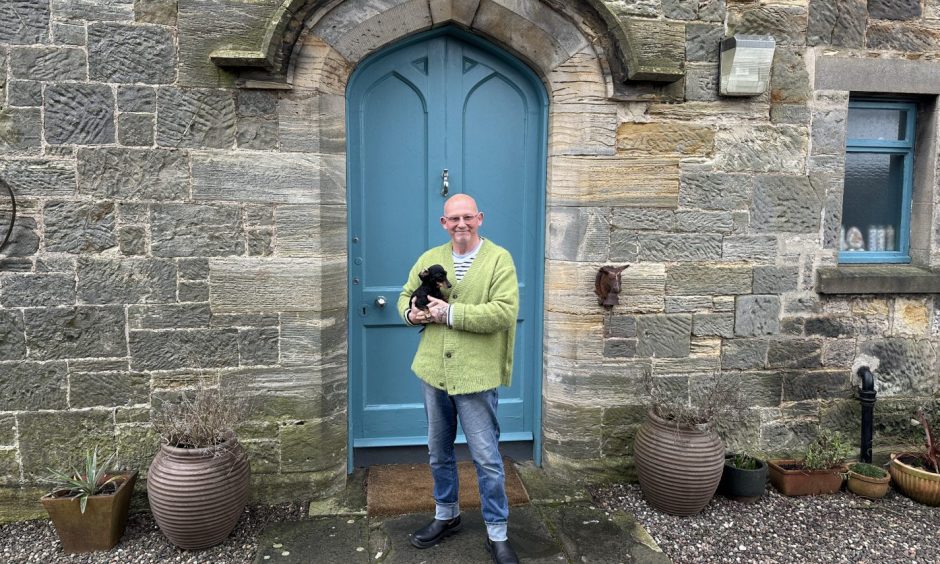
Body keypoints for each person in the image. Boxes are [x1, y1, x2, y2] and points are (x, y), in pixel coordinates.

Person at [397, 194, 520, 564]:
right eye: (454, 218)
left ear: (480, 218)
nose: (461, 224)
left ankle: (497, 533)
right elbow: (405, 296)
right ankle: (446, 515)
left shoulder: (499, 259)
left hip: (476, 376)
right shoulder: (427, 258)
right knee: (438, 451)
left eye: (468, 217)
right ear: (443, 223)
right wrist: (411, 314)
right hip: (433, 372)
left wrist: (450, 314)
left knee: (486, 458)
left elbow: (504, 312)